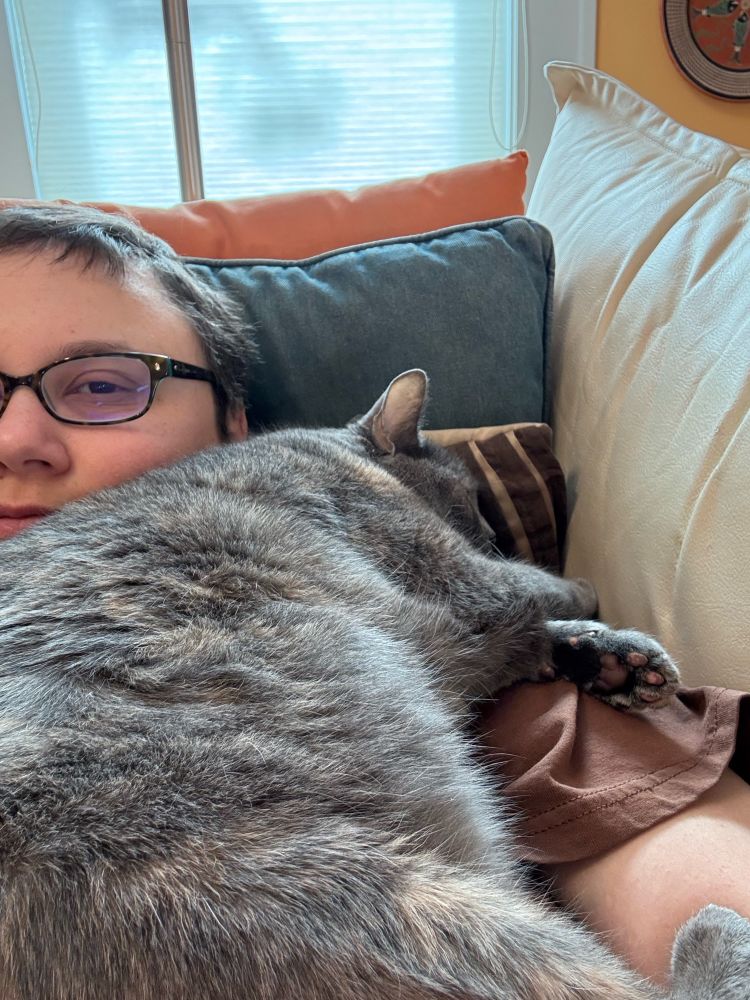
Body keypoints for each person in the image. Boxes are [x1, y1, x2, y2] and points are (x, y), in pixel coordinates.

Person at [0, 203, 748, 988]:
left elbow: (679, 853)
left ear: (235, 428)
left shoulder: (527, 701)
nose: (17, 440)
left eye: (101, 385)